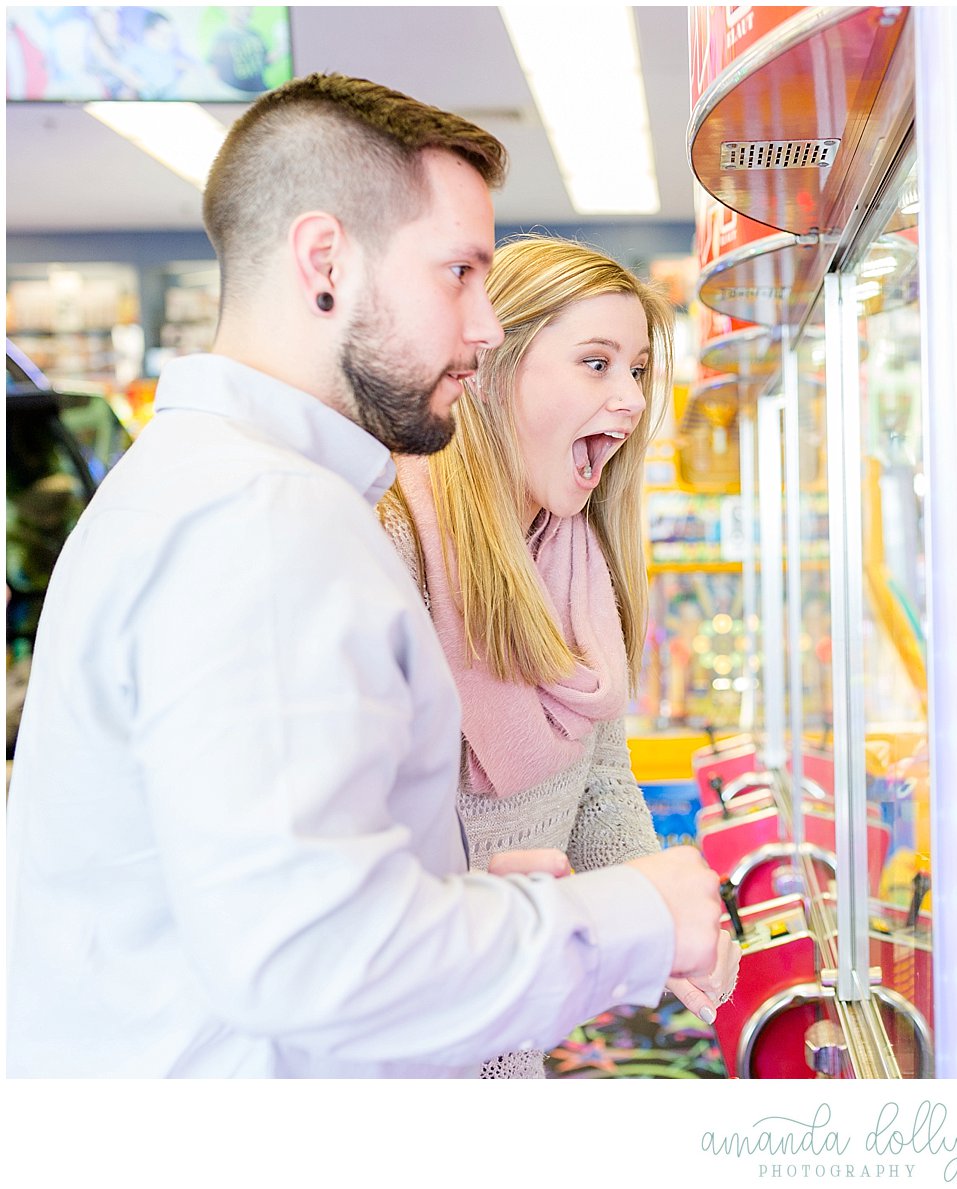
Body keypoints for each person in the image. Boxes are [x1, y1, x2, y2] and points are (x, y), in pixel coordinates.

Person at [6, 73, 725, 1078]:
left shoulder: (231, 488)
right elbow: (309, 956)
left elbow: (272, 882)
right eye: (458, 274)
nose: (483, 328)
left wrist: (468, 894)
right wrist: (627, 919)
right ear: (325, 263)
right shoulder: (260, 521)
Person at [376, 235, 740, 1077]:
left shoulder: (573, 556)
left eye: (640, 371)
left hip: (511, 1033)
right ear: (496, 369)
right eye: (596, 363)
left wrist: (670, 921)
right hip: (405, 1043)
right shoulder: (387, 545)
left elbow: (598, 773)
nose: (630, 399)